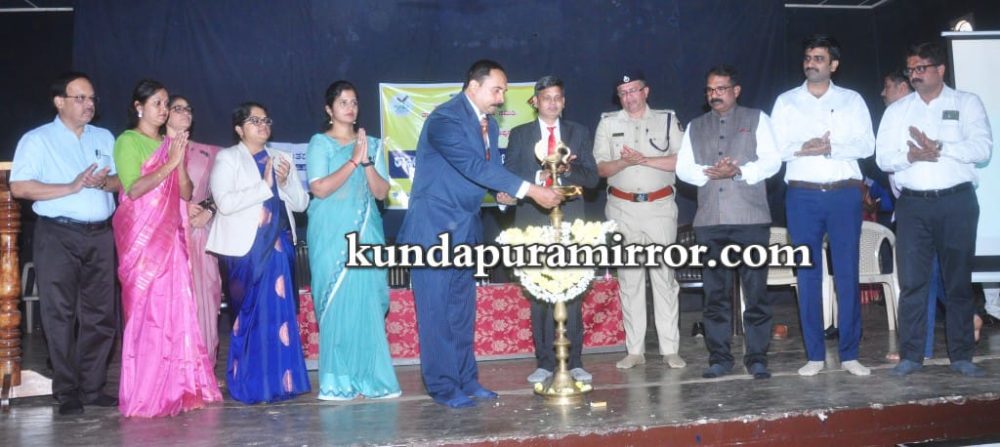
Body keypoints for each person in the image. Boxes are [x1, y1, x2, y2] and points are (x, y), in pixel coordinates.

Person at [397, 59, 563, 409]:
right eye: (496, 90)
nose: (501, 98)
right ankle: (443, 386)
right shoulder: (444, 119)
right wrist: (531, 190)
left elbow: (484, 173)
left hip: (466, 228)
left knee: (462, 311)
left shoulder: (486, 123)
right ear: (473, 86)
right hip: (433, 230)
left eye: (503, 91)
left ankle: (466, 379)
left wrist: (503, 195)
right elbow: (471, 166)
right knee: (436, 312)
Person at [876, 42, 992, 377]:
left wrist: (939, 147)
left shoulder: (966, 102)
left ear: (940, 70)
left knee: (957, 282)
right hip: (913, 205)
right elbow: (883, 158)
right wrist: (911, 156)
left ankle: (962, 356)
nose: (914, 75)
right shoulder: (898, 111)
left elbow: (982, 149)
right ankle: (911, 355)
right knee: (913, 282)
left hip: (957, 202)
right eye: (910, 69)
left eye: (921, 68)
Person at [10, 72, 121, 415]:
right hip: (58, 234)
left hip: (100, 234)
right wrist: (71, 187)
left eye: (92, 98)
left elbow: (121, 181)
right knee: (59, 313)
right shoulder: (37, 140)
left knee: (101, 315)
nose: (89, 104)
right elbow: (20, 187)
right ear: (59, 102)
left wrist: (104, 183)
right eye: (80, 98)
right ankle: (67, 389)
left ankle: (92, 387)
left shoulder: (104, 136)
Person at [112, 79, 221, 417]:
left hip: (172, 239)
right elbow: (134, 189)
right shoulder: (128, 141)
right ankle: (147, 392)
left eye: (165, 103)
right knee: (149, 315)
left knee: (175, 312)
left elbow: (185, 193)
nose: (163, 110)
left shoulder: (168, 145)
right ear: (138, 107)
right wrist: (170, 163)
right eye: (157, 103)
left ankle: (177, 386)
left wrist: (177, 160)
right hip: (144, 245)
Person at [770, 35, 875, 377]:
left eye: (818, 58)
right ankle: (814, 354)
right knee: (808, 275)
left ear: (834, 64)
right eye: (807, 58)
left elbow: (867, 145)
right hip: (802, 196)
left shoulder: (852, 100)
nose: (811, 63)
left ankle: (850, 354)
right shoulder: (786, 102)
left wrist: (831, 147)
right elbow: (774, 149)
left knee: (847, 273)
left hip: (844, 194)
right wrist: (804, 147)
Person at [676, 65, 782, 379]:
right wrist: (711, 172)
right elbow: (683, 168)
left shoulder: (757, 118)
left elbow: (773, 160)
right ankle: (719, 358)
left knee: (755, 293)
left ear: (736, 91)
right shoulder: (695, 126)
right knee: (715, 295)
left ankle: (757, 358)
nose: (715, 95)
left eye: (721, 89)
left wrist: (739, 171)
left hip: (751, 220)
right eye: (710, 89)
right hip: (710, 221)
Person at [207, 102, 312, 402]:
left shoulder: (281, 158)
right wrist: (265, 186)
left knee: (280, 317)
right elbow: (224, 203)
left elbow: (301, 203)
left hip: (278, 248)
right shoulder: (228, 158)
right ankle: (250, 385)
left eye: (266, 120)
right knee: (250, 317)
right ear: (239, 129)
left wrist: (285, 181)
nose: (263, 125)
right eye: (254, 120)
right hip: (246, 250)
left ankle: (284, 383)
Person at [306, 80, 401, 400]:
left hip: (366, 233)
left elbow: (381, 192)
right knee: (337, 305)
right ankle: (338, 381)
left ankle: (373, 378)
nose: (350, 107)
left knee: (368, 303)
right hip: (331, 235)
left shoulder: (371, 144)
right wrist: (352, 160)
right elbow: (319, 188)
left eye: (354, 102)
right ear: (329, 109)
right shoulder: (320, 143)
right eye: (343, 102)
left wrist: (367, 160)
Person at [502, 75, 599, 385]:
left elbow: (592, 178)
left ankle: (575, 361)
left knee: (573, 291)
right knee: (540, 294)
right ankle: (544, 361)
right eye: (546, 98)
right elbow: (510, 174)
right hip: (533, 220)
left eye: (558, 97)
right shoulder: (520, 134)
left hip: (570, 223)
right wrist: (539, 175)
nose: (553, 103)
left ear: (564, 102)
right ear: (535, 102)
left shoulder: (578, 132)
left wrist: (569, 169)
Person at [592, 70, 686, 370]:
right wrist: (624, 161)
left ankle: (670, 349)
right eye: (623, 93)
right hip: (622, 208)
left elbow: (682, 161)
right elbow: (600, 169)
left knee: (664, 278)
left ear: (646, 91)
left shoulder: (667, 120)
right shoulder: (608, 123)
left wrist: (644, 159)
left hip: (659, 207)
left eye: (634, 90)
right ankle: (634, 350)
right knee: (630, 280)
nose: (629, 97)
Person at [165, 95, 223, 365]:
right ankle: (176, 370)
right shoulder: (153, 150)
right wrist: (180, 207)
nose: (185, 113)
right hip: (167, 235)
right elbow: (139, 191)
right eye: (177, 108)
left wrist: (209, 209)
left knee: (206, 299)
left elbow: (226, 189)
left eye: (188, 109)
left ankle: (204, 367)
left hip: (200, 232)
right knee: (172, 300)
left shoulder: (209, 152)